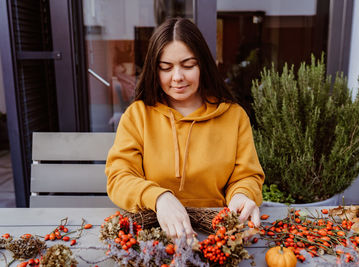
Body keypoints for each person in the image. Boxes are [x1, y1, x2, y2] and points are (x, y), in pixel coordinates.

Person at [105, 17, 265, 239]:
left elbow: (246, 176)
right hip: (153, 235)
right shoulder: (137, 115)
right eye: (166, 68)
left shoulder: (233, 116)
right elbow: (119, 177)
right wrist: (160, 198)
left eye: (188, 65)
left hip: (218, 234)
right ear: (154, 69)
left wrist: (241, 195)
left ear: (203, 65)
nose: (177, 77)